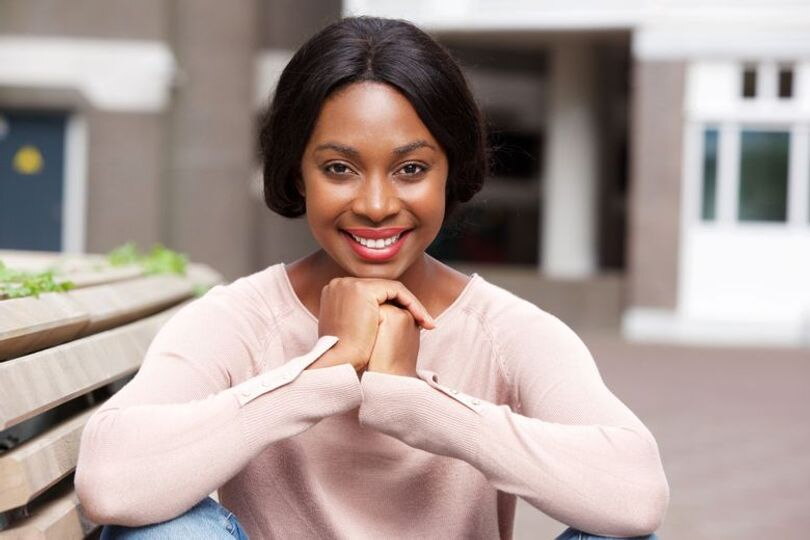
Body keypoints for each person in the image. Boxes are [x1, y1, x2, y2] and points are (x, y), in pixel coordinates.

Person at [74, 15, 669, 540]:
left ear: (450, 172)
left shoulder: (504, 331)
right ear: (298, 172)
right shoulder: (240, 319)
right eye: (340, 168)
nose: (378, 204)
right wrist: (318, 376)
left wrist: (416, 402)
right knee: (165, 531)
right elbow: (109, 484)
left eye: (411, 169)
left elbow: (637, 496)